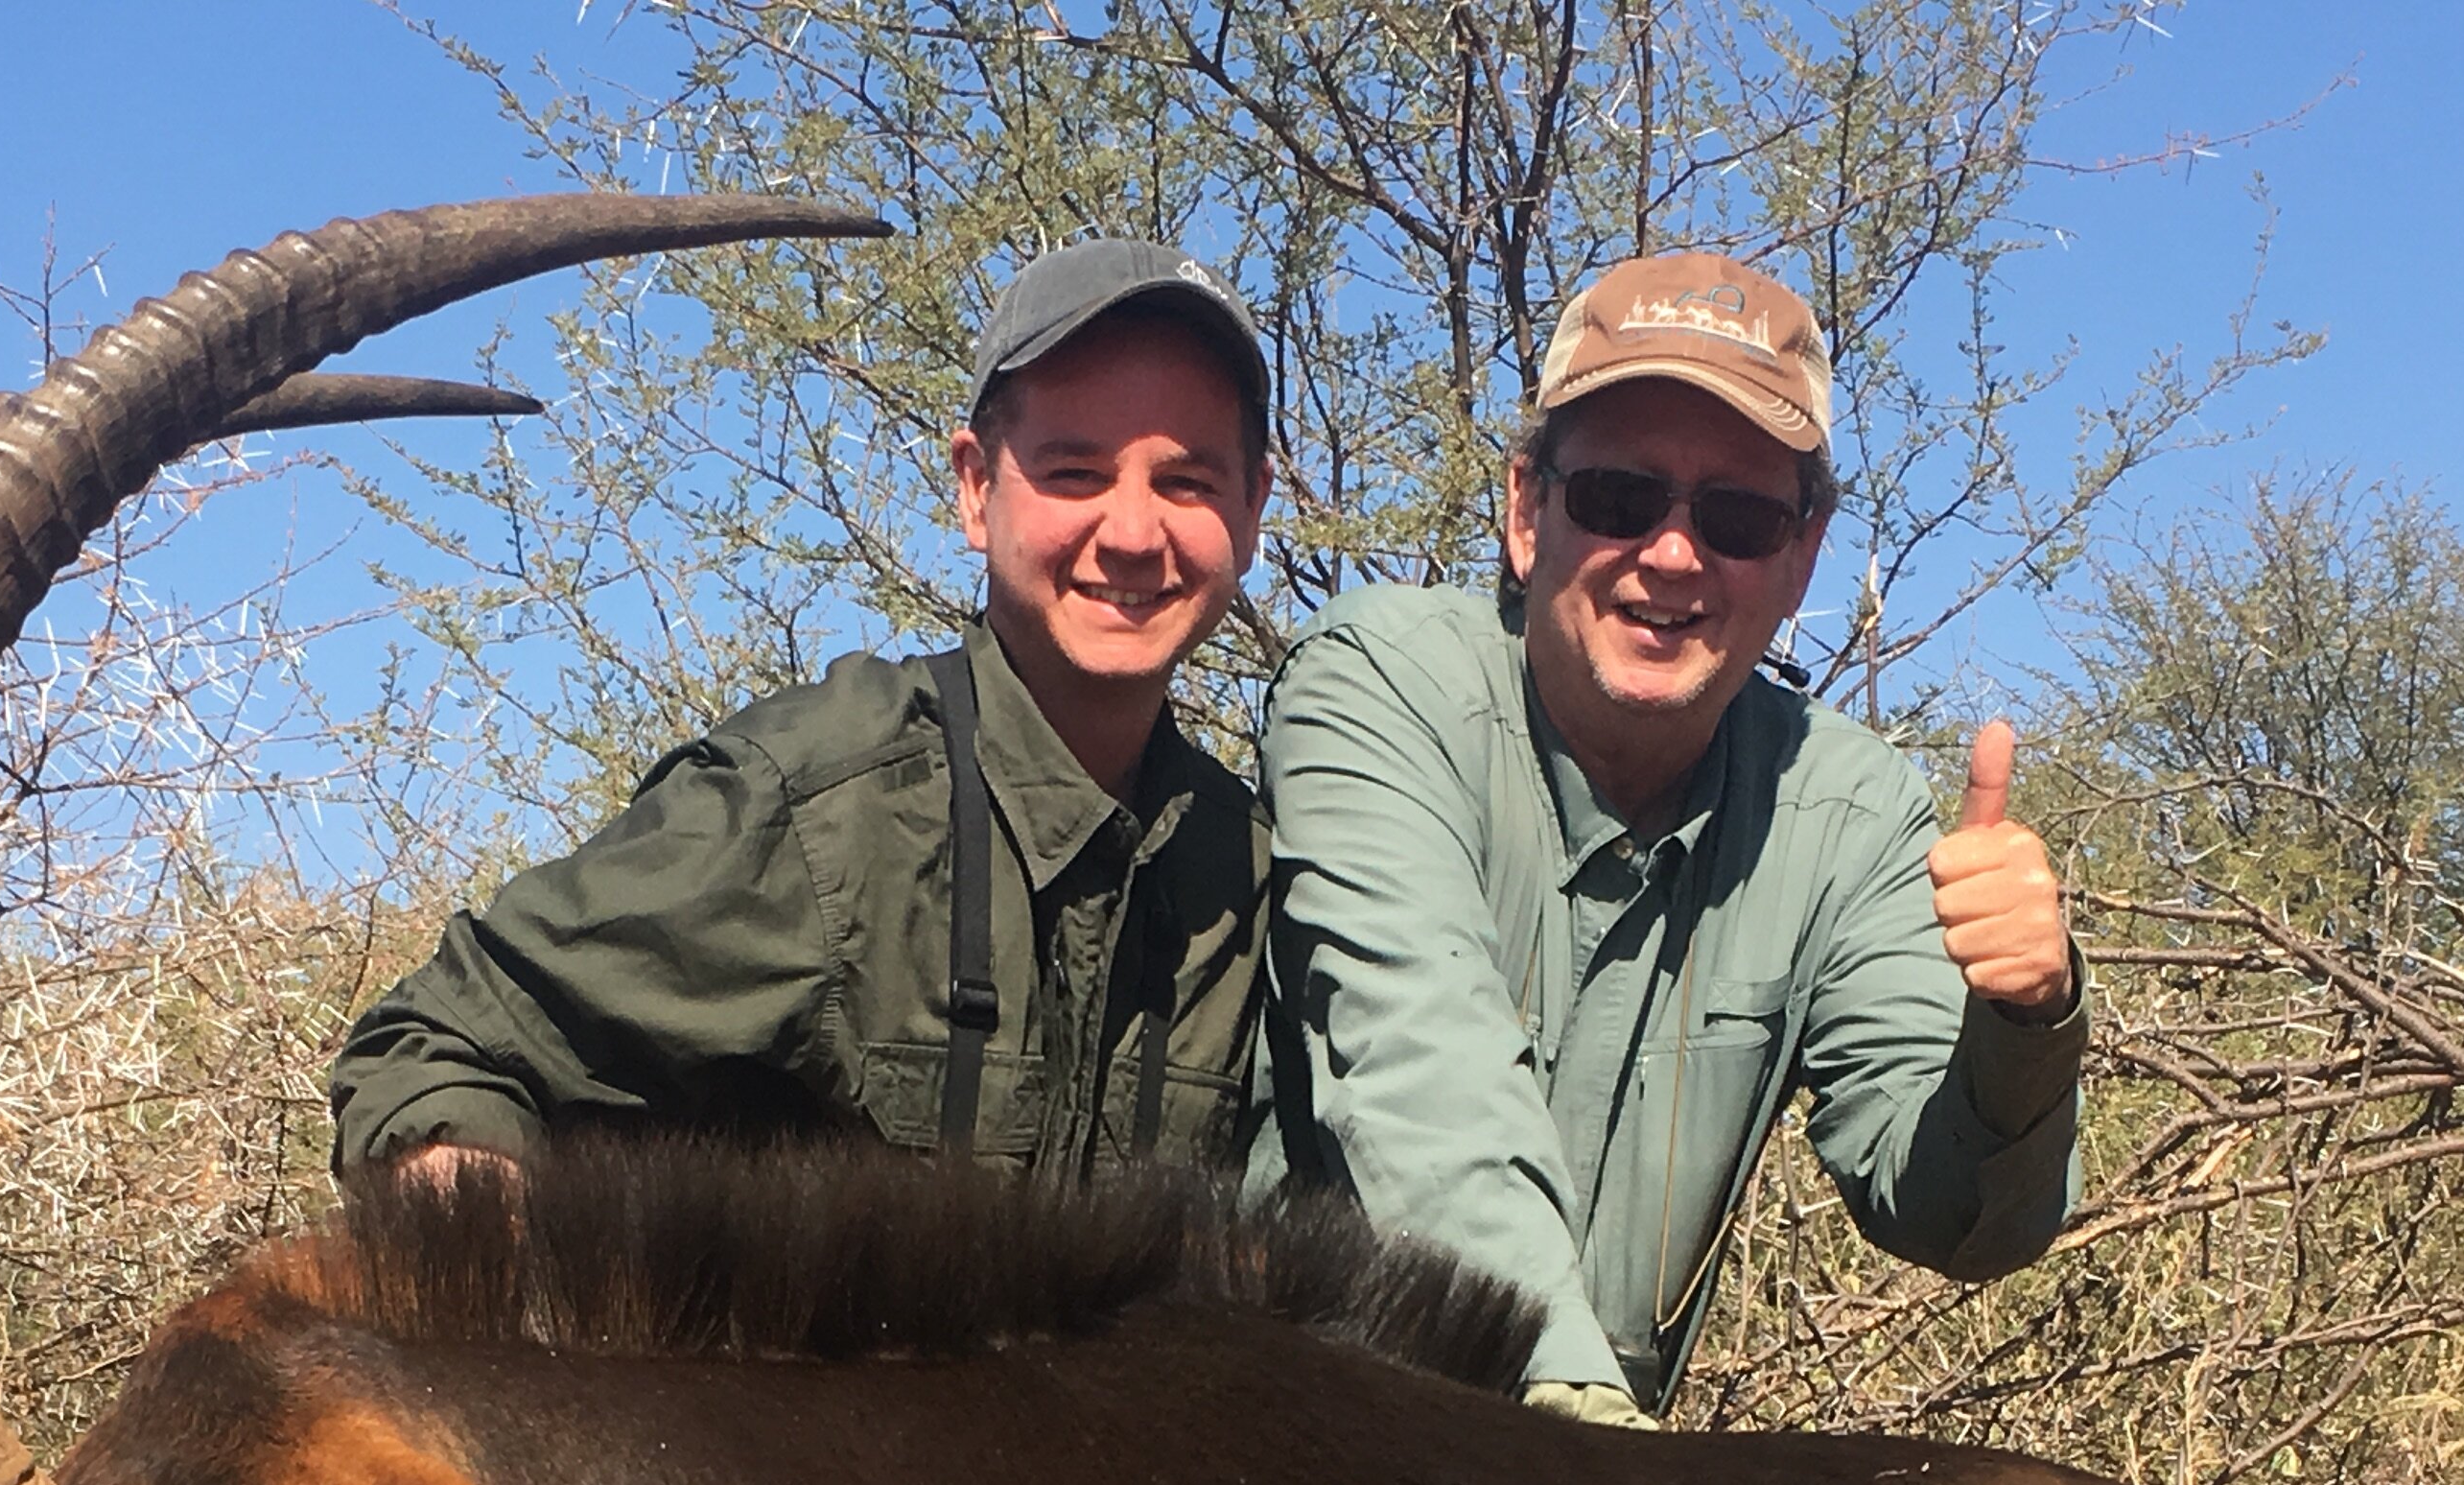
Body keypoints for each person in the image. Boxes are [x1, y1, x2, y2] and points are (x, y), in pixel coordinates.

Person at [1252, 248, 2081, 1423]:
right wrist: (1574, 1415)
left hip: (1591, 1478)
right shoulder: (1382, 683)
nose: (1676, 555)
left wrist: (2025, 1022)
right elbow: (1419, 1062)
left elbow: (1956, 1215)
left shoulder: (1848, 811)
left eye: (1738, 518)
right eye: (1620, 498)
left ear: (1798, 561)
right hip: (1283, 1447)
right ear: (1526, 510)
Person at [327, 239, 1277, 1187]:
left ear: (1251, 508)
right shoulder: (810, 805)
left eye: (1188, 482)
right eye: (1076, 473)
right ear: (978, 489)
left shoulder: (1261, 875)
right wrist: (497, 1263)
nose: (1135, 535)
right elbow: (432, 1050)